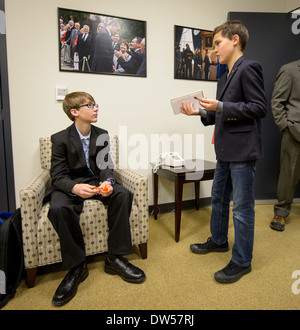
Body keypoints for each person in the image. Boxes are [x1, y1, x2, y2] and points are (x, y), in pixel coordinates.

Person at [181, 20, 267, 283]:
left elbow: (258, 107)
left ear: (235, 40)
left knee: (241, 209)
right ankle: (218, 241)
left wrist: (220, 105)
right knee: (218, 200)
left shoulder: (249, 68)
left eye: (218, 43)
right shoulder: (223, 77)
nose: (215, 49)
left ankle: (242, 261)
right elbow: (220, 114)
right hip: (224, 150)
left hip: (242, 151)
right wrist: (201, 112)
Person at [46, 91, 146, 306]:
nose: (96, 108)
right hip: (71, 183)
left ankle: (115, 258)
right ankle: (77, 266)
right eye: (90, 105)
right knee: (58, 208)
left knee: (122, 194)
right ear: (74, 112)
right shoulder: (60, 138)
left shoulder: (102, 134)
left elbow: (105, 165)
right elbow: (57, 176)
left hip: (96, 181)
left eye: (95, 104)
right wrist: (74, 187)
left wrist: (108, 182)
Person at [270, 59, 300, 231]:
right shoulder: (289, 70)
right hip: (295, 131)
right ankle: (280, 213)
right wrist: (286, 127)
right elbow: (277, 102)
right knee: (289, 174)